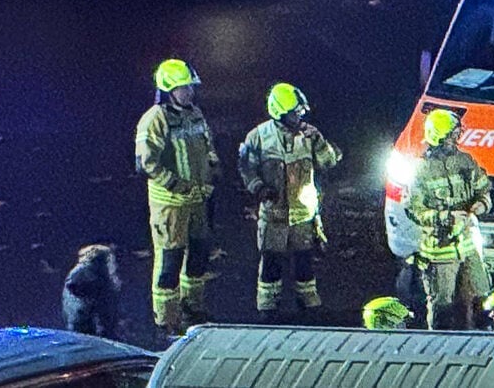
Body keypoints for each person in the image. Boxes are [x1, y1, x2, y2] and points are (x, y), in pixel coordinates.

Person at [238, 83, 342, 320]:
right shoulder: (259, 137)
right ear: (280, 113)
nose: (300, 116)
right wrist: (259, 188)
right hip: (274, 214)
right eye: (295, 112)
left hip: (303, 213)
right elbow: (246, 167)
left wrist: (325, 146)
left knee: (305, 261)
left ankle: (308, 303)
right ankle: (267, 307)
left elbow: (327, 162)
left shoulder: (309, 135)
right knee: (271, 261)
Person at [135, 59, 220, 335]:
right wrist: (174, 184)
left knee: (197, 256)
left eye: (190, 87)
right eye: (183, 88)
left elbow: (207, 146)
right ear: (169, 90)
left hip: (197, 201)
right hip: (170, 205)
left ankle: (192, 306)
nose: (189, 93)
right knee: (170, 261)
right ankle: (166, 320)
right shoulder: (155, 119)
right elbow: (146, 163)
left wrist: (213, 168)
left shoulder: (195, 114)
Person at [404, 108, 491, 330]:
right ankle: (440, 344)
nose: (457, 138)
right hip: (439, 250)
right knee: (442, 304)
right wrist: (445, 217)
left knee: (482, 294)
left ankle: (484, 338)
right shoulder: (421, 170)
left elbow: (484, 190)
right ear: (441, 137)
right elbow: (414, 210)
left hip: (469, 244)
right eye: (453, 134)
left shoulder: (465, 161)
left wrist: (481, 205)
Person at [61, 244, 120, 339]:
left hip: (90, 319)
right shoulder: (85, 270)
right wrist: (90, 300)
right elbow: (72, 286)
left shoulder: (96, 271)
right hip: (84, 320)